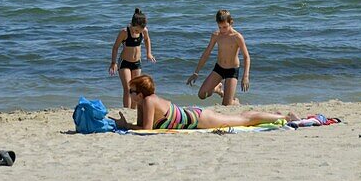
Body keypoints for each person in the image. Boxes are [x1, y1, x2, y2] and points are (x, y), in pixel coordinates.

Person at [116, 75, 297, 131]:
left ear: (139, 94)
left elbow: (146, 130)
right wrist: (125, 124)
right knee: (241, 118)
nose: (129, 93)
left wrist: (125, 126)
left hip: (199, 119)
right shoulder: (145, 102)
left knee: (243, 120)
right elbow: (141, 126)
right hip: (193, 114)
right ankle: (279, 115)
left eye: (131, 91)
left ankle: (284, 117)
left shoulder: (148, 101)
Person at [186, 10, 250, 106]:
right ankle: (217, 89)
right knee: (202, 94)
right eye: (220, 27)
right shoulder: (216, 35)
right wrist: (196, 72)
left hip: (232, 71)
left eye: (225, 27)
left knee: (226, 105)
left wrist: (245, 76)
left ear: (230, 22)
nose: (222, 30)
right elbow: (206, 54)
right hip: (219, 68)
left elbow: (246, 57)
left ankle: (235, 102)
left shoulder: (237, 37)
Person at [109, 8, 156, 109]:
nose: (138, 32)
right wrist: (113, 63)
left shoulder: (144, 31)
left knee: (136, 89)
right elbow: (115, 47)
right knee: (127, 88)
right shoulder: (124, 32)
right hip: (124, 62)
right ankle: (126, 109)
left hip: (137, 63)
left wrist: (149, 53)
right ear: (132, 24)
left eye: (140, 30)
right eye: (136, 30)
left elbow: (147, 40)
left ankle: (133, 110)